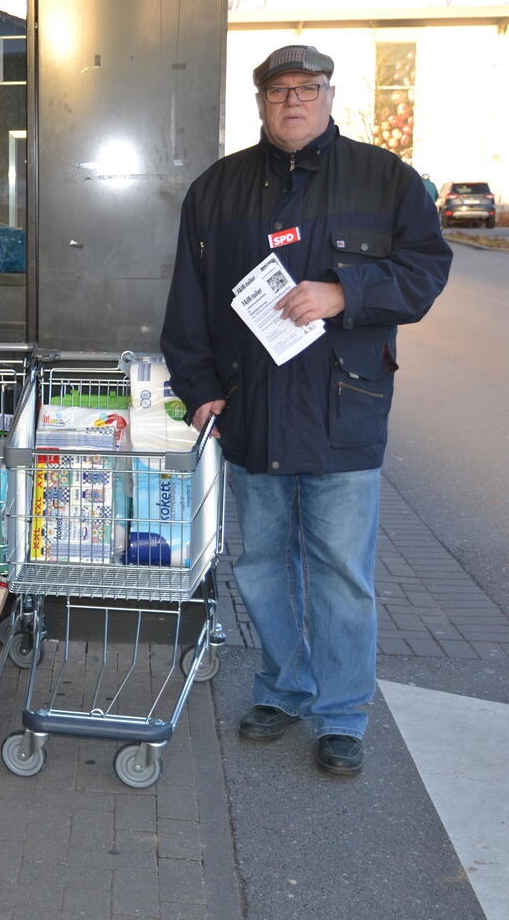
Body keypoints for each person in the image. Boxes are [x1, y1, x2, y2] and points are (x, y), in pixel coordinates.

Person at [160, 45, 452, 777]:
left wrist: (346, 291)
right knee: (260, 564)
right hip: (251, 410)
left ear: (328, 94)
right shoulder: (217, 189)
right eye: (280, 89)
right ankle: (284, 688)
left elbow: (426, 268)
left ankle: (342, 713)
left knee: (341, 573)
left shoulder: (385, 179)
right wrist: (200, 390)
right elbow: (188, 302)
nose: (294, 100)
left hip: (344, 412)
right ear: (262, 100)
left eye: (308, 88)